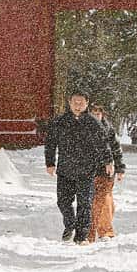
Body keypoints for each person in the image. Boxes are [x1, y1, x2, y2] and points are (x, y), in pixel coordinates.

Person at [44, 90, 114, 243]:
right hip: (65, 170)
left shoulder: (93, 122)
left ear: (86, 104)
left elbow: (102, 143)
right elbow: (50, 144)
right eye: (74, 102)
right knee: (63, 201)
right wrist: (50, 163)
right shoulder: (59, 122)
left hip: (86, 170)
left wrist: (108, 161)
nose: (77, 105)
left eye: (81, 102)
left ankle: (81, 236)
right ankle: (70, 224)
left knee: (85, 204)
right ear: (69, 103)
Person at [87, 103, 126, 242]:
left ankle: (103, 232)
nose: (96, 115)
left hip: (106, 171)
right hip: (88, 171)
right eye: (93, 113)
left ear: (103, 114)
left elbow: (116, 150)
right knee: (92, 201)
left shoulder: (108, 130)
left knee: (103, 200)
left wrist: (120, 168)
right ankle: (93, 232)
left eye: (99, 113)